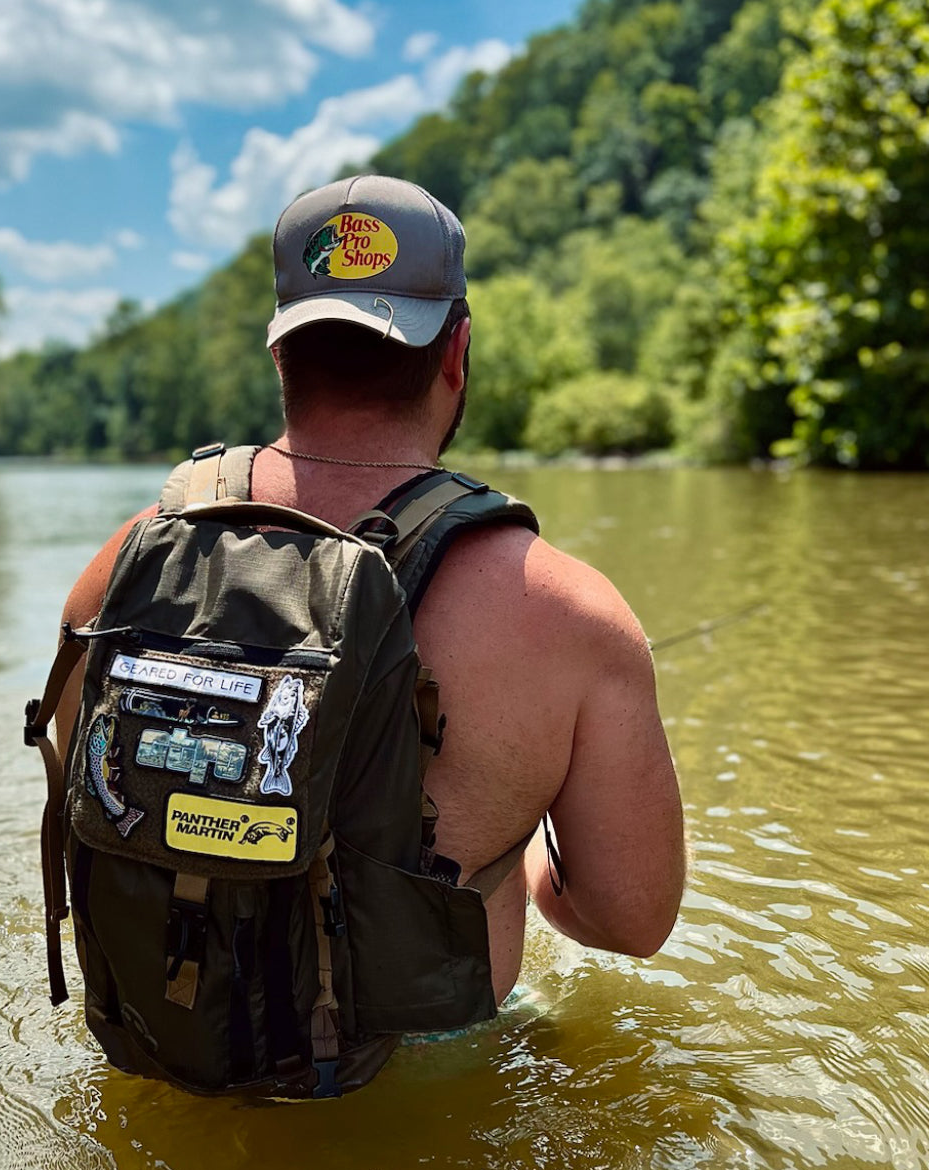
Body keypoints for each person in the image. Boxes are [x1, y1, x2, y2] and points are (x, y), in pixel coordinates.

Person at [56, 175, 685, 1004]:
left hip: (161, 1036)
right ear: (457, 353)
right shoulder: (570, 616)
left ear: (280, 350)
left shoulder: (123, 564)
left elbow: (94, 829)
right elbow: (630, 922)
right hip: (431, 1083)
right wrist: (525, 843)